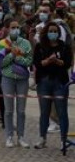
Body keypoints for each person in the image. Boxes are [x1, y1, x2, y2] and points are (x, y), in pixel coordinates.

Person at [33, 21, 72, 151]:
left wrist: (57, 61)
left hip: (60, 82)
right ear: (46, 32)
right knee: (44, 112)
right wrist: (48, 60)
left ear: (59, 33)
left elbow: (67, 64)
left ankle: (63, 140)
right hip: (44, 82)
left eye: (55, 31)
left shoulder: (65, 47)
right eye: (51, 31)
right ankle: (42, 138)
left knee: (62, 112)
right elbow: (37, 64)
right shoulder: (40, 47)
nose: (53, 33)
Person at [0, 18, 33, 148]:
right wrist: (11, 55)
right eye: (13, 27)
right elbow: (1, 64)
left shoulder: (26, 43)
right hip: (7, 79)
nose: (15, 30)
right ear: (7, 28)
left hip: (22, 80)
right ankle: (9, 136)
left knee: (21, 111)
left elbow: (28, 62)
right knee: (8, 110)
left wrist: (16, 57)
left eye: (17, 27)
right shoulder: (2, 44)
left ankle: (21, 137)